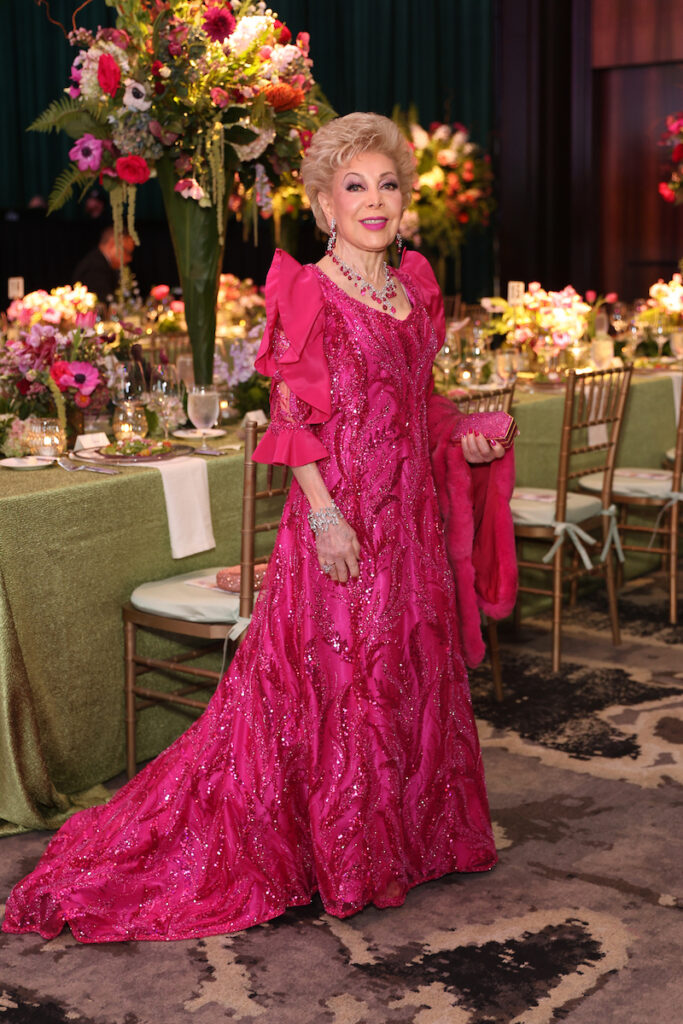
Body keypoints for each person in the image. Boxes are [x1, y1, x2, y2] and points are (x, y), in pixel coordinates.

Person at [2, 113, 517, 944]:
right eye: (354, 186)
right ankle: (347, 852)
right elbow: (290, 417)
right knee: (345, 678)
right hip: (342, 517)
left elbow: (417, 405)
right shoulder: (307, 290)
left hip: (409, 518)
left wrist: (466, 435)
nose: (373, 200)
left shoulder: (414, 287)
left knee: (405, 670)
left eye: (387, 184)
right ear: (322, 205)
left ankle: (411, 841)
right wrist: (324, 516)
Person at [72, 226, 134, 302]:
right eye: (127, 252)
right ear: (112, 244)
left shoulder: (102, 264)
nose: (129, 259)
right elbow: (103, 304)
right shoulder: (94, 268)